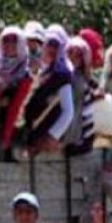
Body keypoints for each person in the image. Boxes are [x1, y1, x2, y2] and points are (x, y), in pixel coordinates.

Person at [23, 26, 74, 154]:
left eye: (56, 45)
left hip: (41, 137)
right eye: (49, 44)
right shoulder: (46, 69)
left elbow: (68, 111)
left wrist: (52, 136)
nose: (51, 49)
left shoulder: (62, 73)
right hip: (31, 131)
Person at [0, 26, 33, 159]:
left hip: (9, 123)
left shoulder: (24, 74)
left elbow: (15, 107)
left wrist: (6, 138)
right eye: (5, 40)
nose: (9, 45)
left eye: (14, 41)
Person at [63, 36, 102, 156]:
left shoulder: (83, 75)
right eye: (71, 53)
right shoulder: (66, 74)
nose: (74, 57)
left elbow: (95, 86)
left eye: (78, 55)